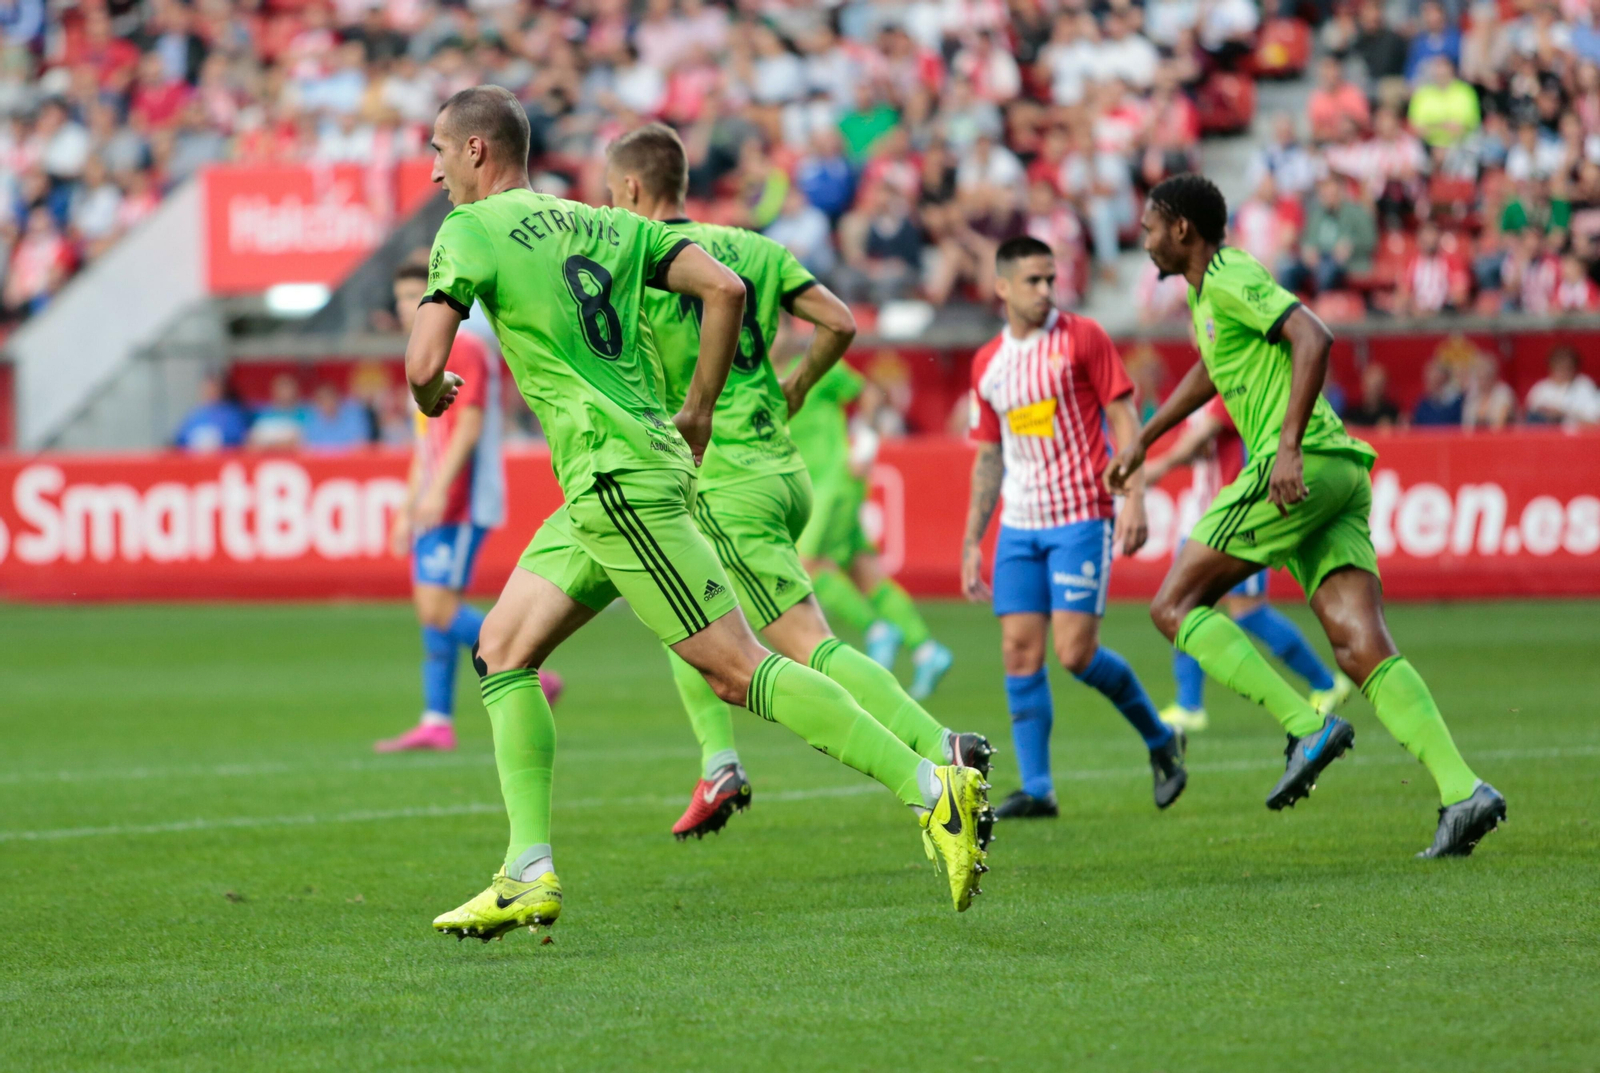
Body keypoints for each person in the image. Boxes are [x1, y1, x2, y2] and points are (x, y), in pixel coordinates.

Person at [412, 87, 989, 941]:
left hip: (618, 480)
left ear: (476, 152)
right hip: (624, 475)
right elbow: (722, 288)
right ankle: (526, 869)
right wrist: (700, 409)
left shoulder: (469, 230)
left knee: (735, 665)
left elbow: (425, 361)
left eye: (439, 150)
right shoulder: (602, 223)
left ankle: (930, 786)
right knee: (502, 646)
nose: (432, 169)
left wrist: (432, 390)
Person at [605, 122, 991, 841]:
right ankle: (719, 759)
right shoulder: (753, 246)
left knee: (804, 644)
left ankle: (939, 752)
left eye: (611, 192)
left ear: (629, 188)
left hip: (724, 478)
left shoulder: (640, 258)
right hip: (782, 468)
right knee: (672, 606)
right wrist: (800, 383)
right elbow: (839, 323)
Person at [1110, 172, 1504, 858]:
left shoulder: (1230, 273)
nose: (1142, 240)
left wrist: (1286, 446)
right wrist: (1145, 435)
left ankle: (1303, 725)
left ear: (1181, 229)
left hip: (1298, 465)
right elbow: (1213, 369)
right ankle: (1462, 788)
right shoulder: (1209, 296)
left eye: (1149, 227)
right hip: (1338, 474)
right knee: (1360, 645)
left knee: (1173, 605)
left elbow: (1313, 336)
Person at [961, 235, 1188, 821]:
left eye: (1050, 280)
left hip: (1081, 515)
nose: (1045, 291)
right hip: (1018, 525)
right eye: (1032, 281)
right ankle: (1038, 789)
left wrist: (1134, 496)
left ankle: (1161, 739)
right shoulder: (987, 363)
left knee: (1075, 652)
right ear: (1002, 287)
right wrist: (970, 541)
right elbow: (988, 453)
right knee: (1017, 651)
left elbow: (1122, 415)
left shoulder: (1083, 337)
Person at [375, 262, 560, 754]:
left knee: (437, 607)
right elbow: (426, 439)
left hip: (461, 498)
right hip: (438, 496)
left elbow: (469, 425)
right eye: (401, 296)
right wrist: (408, 504)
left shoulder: (467, 347)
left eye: (417, 294)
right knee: (431, 611)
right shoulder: (422, 352)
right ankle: (437, 720)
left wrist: (438, 492)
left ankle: (526, 667)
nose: (407, 305)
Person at [1144, 396, 1352, 732]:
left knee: (1248, 612)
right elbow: (1201, 448)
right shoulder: (1200, 395)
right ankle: (1189, 704)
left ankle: (1326, 683)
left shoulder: (1229, 384)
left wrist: (1159, 465)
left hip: (1237, 517)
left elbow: (1201, 438)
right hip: (1200, 518)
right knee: (1181, 607)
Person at [788, 356, 957, 701]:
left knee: (808, 565)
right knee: (863, 571)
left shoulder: (815, 366)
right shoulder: (757, 374)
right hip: (808, 487)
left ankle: (878, 629)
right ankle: (926, 649)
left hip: (834, 483)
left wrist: (864, 442)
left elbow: (869, 393)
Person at [1525, 345, 1600, 427]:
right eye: (1559, 366)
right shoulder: (1540, 388)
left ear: (1574, 367)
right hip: (1546, 436)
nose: (1562, 371)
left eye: (1567, 367)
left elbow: (1595, 421)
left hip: (1577, 436)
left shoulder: (1585, 386)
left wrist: (1563, 414)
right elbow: (1527, 419)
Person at [173, 373, 249, 452]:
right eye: (207, 389)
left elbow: (240, 440)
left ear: (221, 390)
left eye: (213, 388)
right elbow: (180, 441)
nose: (210, 392)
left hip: (221, 460)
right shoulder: (194, 415)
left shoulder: (231, 415)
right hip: (193, 461)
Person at [1344, 362, 1401, 428]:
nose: (1373, 390)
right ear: (1363, 385)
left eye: (1377, 386)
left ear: (1384, 387)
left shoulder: (1392, 413)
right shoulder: (1352, 413)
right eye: (1370, 385)